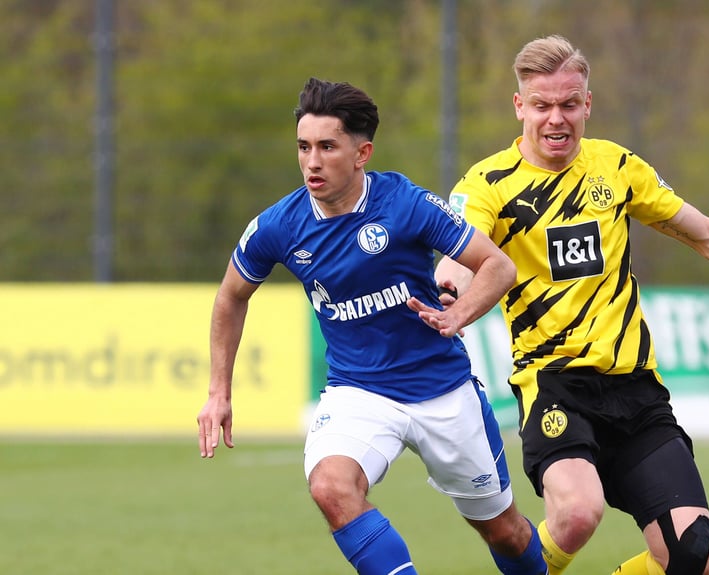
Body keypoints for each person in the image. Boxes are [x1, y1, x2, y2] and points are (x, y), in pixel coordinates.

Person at [430, 35, 709, 575]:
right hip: (555, 385)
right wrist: (448, 295)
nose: (557, 119)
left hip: (636, 392)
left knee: (693, 555)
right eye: (543, 105)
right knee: (577, 515)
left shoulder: (617, 168)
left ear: (588, 104)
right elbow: (460, 256)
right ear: (519, 105)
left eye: (569, 104)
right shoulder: (488, 184)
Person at [196, 77, 549, 575]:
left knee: (505, 532)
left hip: (441, 390)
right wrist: (218, 391)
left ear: (362, 153)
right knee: (330, 488)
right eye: (303, 147)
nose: (311, 161)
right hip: (358, 392)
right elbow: (231, 296)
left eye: (326, 146)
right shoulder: (279, 226)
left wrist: (457, 313)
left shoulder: (403, 204)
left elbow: (499, 267)